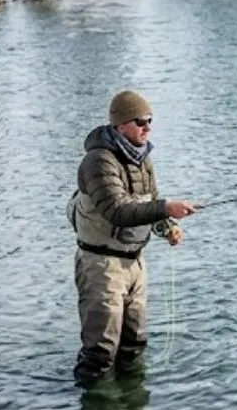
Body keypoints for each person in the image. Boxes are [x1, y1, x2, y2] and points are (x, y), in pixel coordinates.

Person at [69, 89, 198, 385]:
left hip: (134, 264)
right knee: (100, 354)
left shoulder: (143, 159)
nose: (147, 127)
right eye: (140, 121)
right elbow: (117, 210)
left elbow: (148, 202)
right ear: (120, 125)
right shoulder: (98, 162)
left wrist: (168, 228)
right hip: (101, 266)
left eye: (150, 120)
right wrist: (167, 207)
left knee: (134, 345)